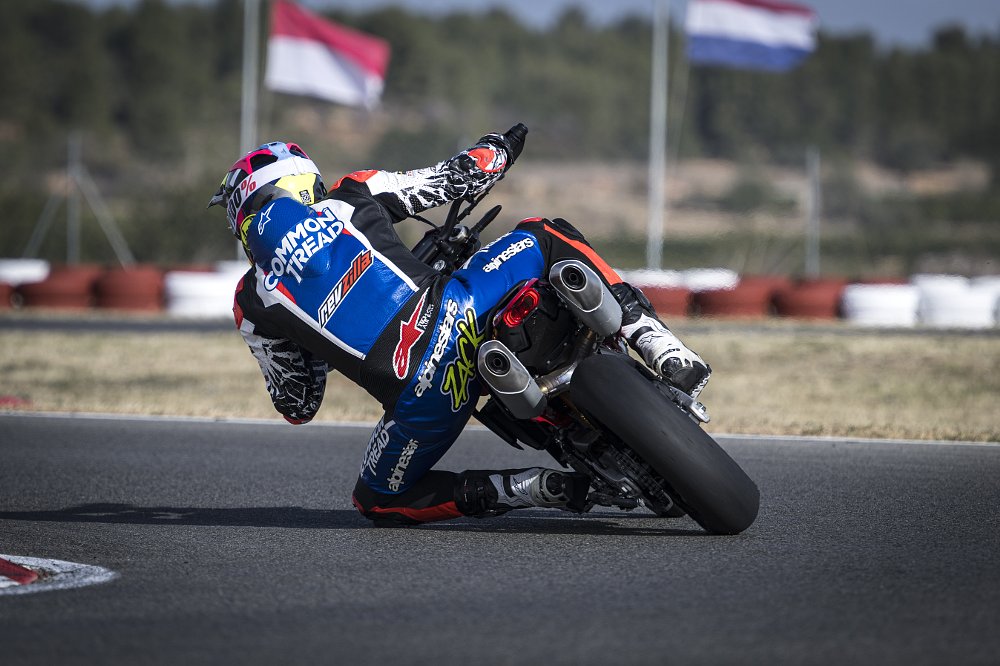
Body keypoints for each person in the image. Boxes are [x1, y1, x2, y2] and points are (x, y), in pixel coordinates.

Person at [207, 126, 710, 526]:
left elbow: (298, 405)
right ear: (302, 180)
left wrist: (312, 336)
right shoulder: (355, 191)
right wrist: (501, 147)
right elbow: (459, 176)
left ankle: (523, 488)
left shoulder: (251, 305)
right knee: (545, 233)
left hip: (426, 394)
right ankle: (655, 341)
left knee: (378, 499)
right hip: (459, 308)